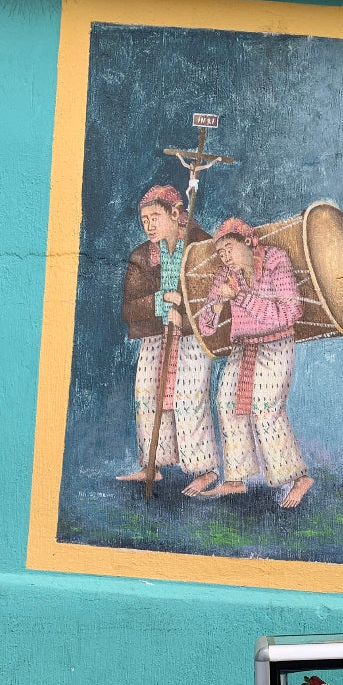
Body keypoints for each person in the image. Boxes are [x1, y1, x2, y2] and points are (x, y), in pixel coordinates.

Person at [196, 218, 313, 510]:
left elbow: (290, 312)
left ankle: (298, 478)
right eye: (220, 252)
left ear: (248, 242)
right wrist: (216, 305)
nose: (225, 257)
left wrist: (242, 297)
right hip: (243, 347)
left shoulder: (275, 260)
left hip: (276, 344)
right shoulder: (225, 275)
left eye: (229, 248)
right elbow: (205, 327)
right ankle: (236, 478)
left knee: (265, 408)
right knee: (226, 403)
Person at [117, 184, 219, 496]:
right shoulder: (141, 256)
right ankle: (153, 464)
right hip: (156, 335)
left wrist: (183, 316)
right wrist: (160, 300)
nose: (148, 225)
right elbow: (129, 308)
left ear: (175, 214)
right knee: (147, 394)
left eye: (155, 217)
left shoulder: (202, 247)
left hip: (191, 336)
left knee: (189, 397)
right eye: (144, 219)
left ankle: (205, 470)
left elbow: (214, 300)